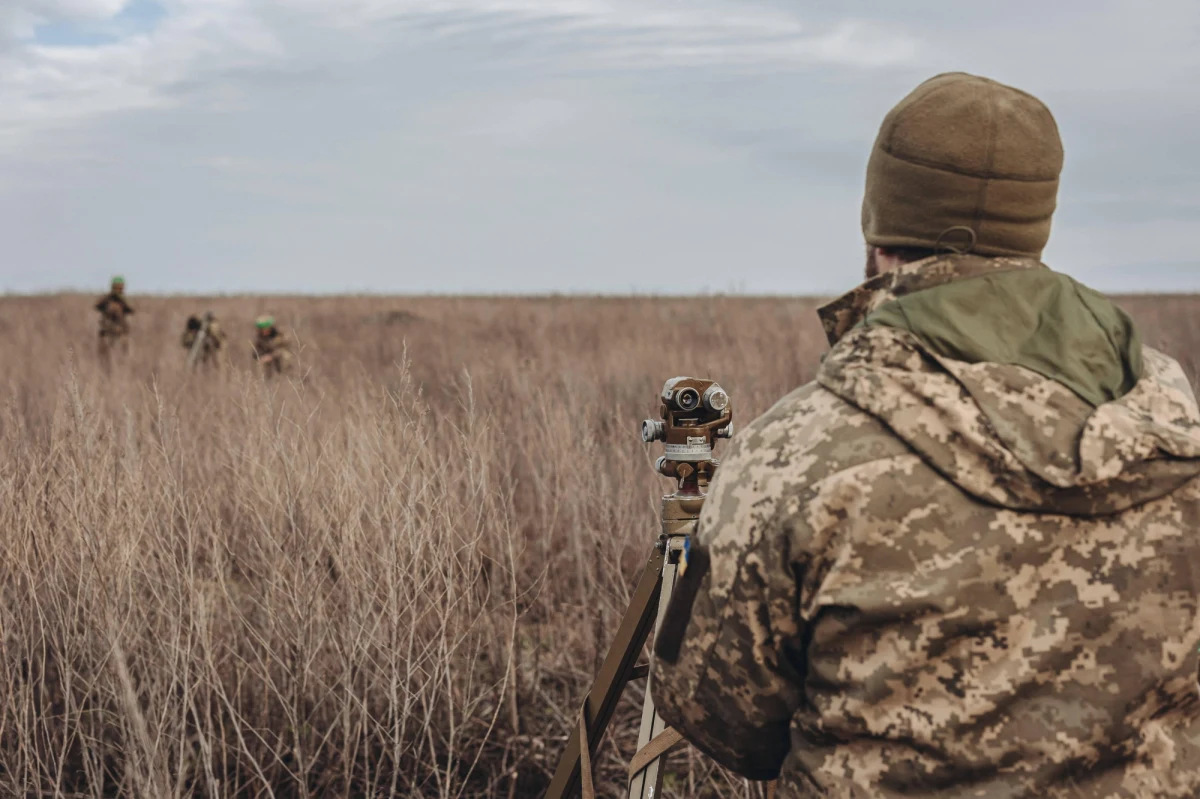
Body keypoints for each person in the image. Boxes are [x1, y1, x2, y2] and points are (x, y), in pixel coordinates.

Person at [651, 72, 1200, 797]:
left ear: (880, 233)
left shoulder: (797, 452)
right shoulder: (1174, 422)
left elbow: (721, 719)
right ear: (1035, 222)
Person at [95, 275, 134, 359]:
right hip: (107, 332)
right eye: (118, 287)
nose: (120, 289)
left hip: (120, 333)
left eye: (121, 287)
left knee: (122, 355)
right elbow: (98, 306)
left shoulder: (122, 301)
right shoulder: (107, 299)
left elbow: (130, 310)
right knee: (105, 356)